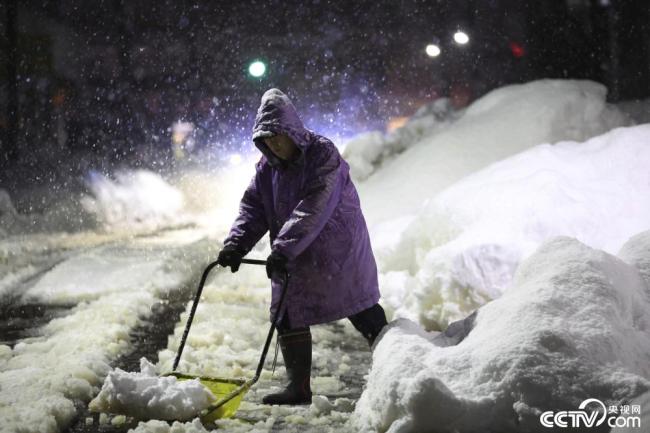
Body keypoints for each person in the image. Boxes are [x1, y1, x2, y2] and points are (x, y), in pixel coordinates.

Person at [217, 88, 387, 406]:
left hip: (337, 251)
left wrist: (283, 248)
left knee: (360, 307)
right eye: (266, 139)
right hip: (294, 253)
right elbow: (254, 207)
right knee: (287, 313)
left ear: (292, 130)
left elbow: (316, 205)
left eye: (278, 137)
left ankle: (397, 369)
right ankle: (298, 387)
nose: (273, 145)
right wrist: (235, 244)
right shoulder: (267, 169)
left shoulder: (322, 154)